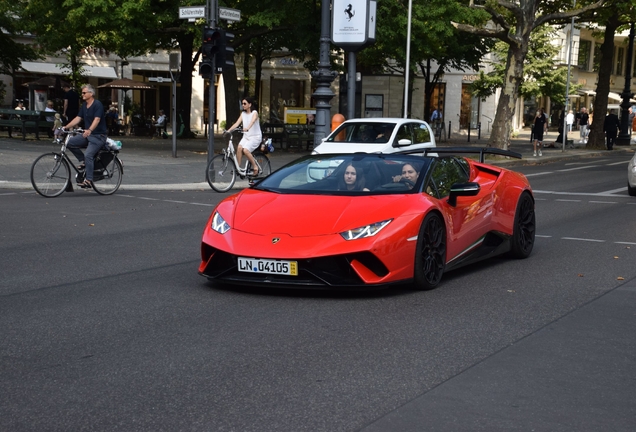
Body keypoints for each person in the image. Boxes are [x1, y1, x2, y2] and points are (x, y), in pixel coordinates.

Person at [63, 84, 108, 189]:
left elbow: (97, 119)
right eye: (82, 92)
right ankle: (84, 161)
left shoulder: (97, 104)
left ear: (91, 94)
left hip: (98, 136)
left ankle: (88, 180)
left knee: (89, 155)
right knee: (69, 143)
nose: (82, 94)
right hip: (88, 135)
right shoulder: (84, 105)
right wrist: (65, 127)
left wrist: (90, 130)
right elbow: (78, 118)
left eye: (84, 93)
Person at [227, 96, 263, 175]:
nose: (243, 105)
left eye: (244, 103)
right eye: (242, 103)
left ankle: (255, 166)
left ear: (250, 104)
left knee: (245, 150)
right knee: (239, 148)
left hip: (255, 137)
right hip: (246, 137)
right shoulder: (243, 114)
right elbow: (237, 123)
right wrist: (228, 130)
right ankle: (238, 168)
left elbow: (253, 121)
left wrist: (247, 128)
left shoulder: (254, 113)